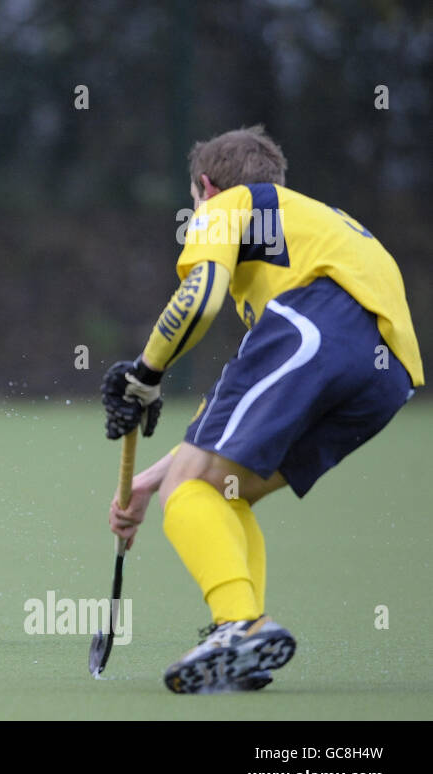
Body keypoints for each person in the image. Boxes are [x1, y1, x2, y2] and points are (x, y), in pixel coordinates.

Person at [101, 125, 422, 693]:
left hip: (322, 324)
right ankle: (249, 639)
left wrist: (143, 376)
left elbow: (199, 298)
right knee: (227, 489)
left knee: (190, 493)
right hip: (388, 377)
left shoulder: (232, 204)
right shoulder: (304, 236)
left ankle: (238, 624)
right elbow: (227, 434)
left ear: (205, 187)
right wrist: (151, 480)